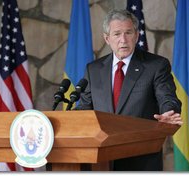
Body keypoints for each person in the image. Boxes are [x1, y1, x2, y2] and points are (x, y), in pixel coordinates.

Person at [76, 9, 182, 171]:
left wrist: (169, 111)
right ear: (107, 38)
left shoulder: (156, 65)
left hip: (141, 158)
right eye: (117, 34)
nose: (123, 40)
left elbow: (167, 97)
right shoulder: (93, 69)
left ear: (136, 36)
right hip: (101, 159)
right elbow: (84, 110)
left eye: (128, 33)